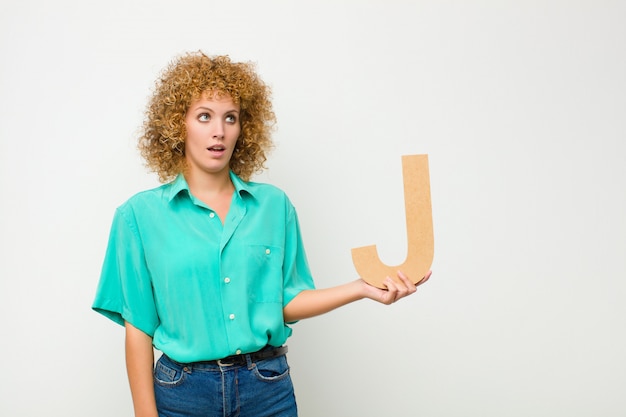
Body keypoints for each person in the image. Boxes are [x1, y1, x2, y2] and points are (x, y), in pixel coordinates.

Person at [92, 51, 431, 417]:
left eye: (230, 118)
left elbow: (284, 303)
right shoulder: (138, 216)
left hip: (266, 389)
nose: (218, 131)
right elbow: (138, 328)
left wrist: (361, 289)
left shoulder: (274, 206)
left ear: (244, 127)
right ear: (178, 124)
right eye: (204, 116)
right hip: (183, 394)